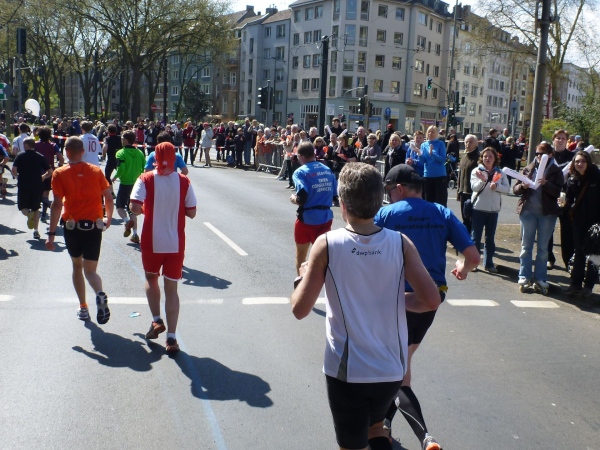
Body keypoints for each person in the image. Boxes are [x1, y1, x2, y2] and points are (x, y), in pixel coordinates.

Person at [291, 163, 441, 450]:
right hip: (391, 369)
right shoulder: (400, 243)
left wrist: (302, 276)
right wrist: (393, 299)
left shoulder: (327, 244)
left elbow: (300, 309)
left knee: (352, 445)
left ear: (343, 203)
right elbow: (430, 300)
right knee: (375, 429)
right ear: (379, 200)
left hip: (348, 372)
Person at [374, 164, 479, 450]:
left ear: (399, 189)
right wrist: (462, 269)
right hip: (431, 299)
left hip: (397, 299)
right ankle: (384, 423)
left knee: (398, 374)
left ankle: (425, 438)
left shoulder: (387, 214)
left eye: (389, 191)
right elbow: (473, 257)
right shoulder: (441, 212)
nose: (389, 197)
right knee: (402, 363)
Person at [130, 142, 197, 354]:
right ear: (174, 157)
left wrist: (146, 208)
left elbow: (134, 207)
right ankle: (172, 338)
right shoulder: (184, 181)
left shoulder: (145, 178)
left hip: (152, 241)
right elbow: (192, 213)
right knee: (172, 289)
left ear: (155, 157)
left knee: (151, 279)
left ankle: (157, 320)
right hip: (175, 243)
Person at [45, 136, 113, 323]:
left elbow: (57, 204)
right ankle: (99, 292)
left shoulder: (60, 173)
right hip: (94, 226)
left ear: (66, 152)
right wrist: (108, 218)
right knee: (90, 270)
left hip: (72, 227)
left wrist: (51, 234)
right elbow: (108, 196)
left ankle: (83, 306)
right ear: (83, 152)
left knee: (77, 266)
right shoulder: (96, 171)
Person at [513, 142, 564, 292]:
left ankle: (540, 278)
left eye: (542, 154)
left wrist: (546, 184)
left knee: (542, 248)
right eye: (537, 154)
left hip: (547, 214)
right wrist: (523, 186)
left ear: (550, 155)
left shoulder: (556, 170)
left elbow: (558, 191)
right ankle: (524, 276)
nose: (539, 157)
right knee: (526, 246)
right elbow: (515, 189)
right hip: (528, 212)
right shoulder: (528, 168)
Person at [289, 142, 337, 274]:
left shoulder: (300, 172)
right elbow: (335, 196)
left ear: (301, 156)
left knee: (301, 255)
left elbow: (302, 197)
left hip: (307, 219)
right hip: (325, 218)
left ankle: (301, 282)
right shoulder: (327, 170)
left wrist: (294, 199)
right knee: (323, 255)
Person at [562, 151, 600, 296]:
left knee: (594, 254)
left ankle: (589, 286)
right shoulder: (572, 179)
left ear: (588, 162)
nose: (580, 164)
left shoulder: (597, 176)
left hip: (596, 221)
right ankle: (575, 284)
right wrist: (564, 204)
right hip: (579, 221)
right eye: (577, 161)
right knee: (579, 252)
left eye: (583, 161)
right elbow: (568, 199)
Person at [470, 147, 510, 272]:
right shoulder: (476, 171)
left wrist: (496, 186)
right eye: (485, 156)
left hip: (493, 211)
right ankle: (474, 263)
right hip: (479, 208)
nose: (487, 158)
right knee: (475, 238)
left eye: (490, 156)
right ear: (481, 158)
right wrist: (483, 180)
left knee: (490, 239)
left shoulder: (500, 173)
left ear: (495, 158)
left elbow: (507, 189)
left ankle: (488, 263)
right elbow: (474, 187)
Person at [11, 138, 53, 239]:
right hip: (37, 184)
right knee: (36, 208)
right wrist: (43, 177)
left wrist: (17, 177)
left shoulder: (20, 155)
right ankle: (36, 231)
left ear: (26, 145)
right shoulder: (40, 156)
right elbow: (50, 171)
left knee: (23, 207)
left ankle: (29, 214)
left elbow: (14, 169)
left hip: (24, 184)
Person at [112, 130, 146, 243]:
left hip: (125, 183)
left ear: (126, 140)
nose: (121, 140)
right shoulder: (140, 153)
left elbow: (121, 168)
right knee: (132, 210)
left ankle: (126, 221)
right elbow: (144, 167)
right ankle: (135, 234)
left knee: (119, 206)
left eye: (122, 138)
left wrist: (115, 177)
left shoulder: (120, 153)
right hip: (136, 184)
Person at [547, 129, 574, 269]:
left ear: (567, 141)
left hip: (565, 196)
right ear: (553, 140)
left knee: (567, 231)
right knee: (548, 229)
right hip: (550, 196)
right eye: (558, 138)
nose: (561, 140)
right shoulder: (547, 156)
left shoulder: (572, 157)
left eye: (563, 138)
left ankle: (568, 261)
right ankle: (549, 258)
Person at [35, 126, 65, 221]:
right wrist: (58, 167)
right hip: (49, 172)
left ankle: (37, 211)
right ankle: (44, 214)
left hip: (36, 172)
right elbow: (61, 159)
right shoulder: (53, 145)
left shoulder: (35, 145)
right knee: (46, 193)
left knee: (37, 193)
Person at [457, 134, 480, 233]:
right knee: (464, 217)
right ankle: (466, 237)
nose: (468, 144)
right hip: (463, 192)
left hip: (472, 192)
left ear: (476, 144)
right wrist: (459, 191)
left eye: (470, 142)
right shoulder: (464, 157)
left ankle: (472, 238)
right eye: (466, 142)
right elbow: (460, 175)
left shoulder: (478, 158)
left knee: (472, 218)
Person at [421, 126, 447, 207]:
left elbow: (442, 159)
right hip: (428, 175)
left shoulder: (440, 144)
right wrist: (419, 155)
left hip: (439, 175)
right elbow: (423, 161)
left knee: (440, 201)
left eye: (432, 132)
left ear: (436, 133)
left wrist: (432, 154)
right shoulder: (423, 145)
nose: (430, 133)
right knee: (428, 201)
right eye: (429, 132)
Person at [101, 124, 123, 198]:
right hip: (119, 159)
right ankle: (123, 191)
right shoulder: (120, 138)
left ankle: (111, 192)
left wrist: (103, 155)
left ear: (108, 131)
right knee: (122, 175)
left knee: (107, 176)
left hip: (111, 159)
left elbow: (105, 147)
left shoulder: (107, 139)